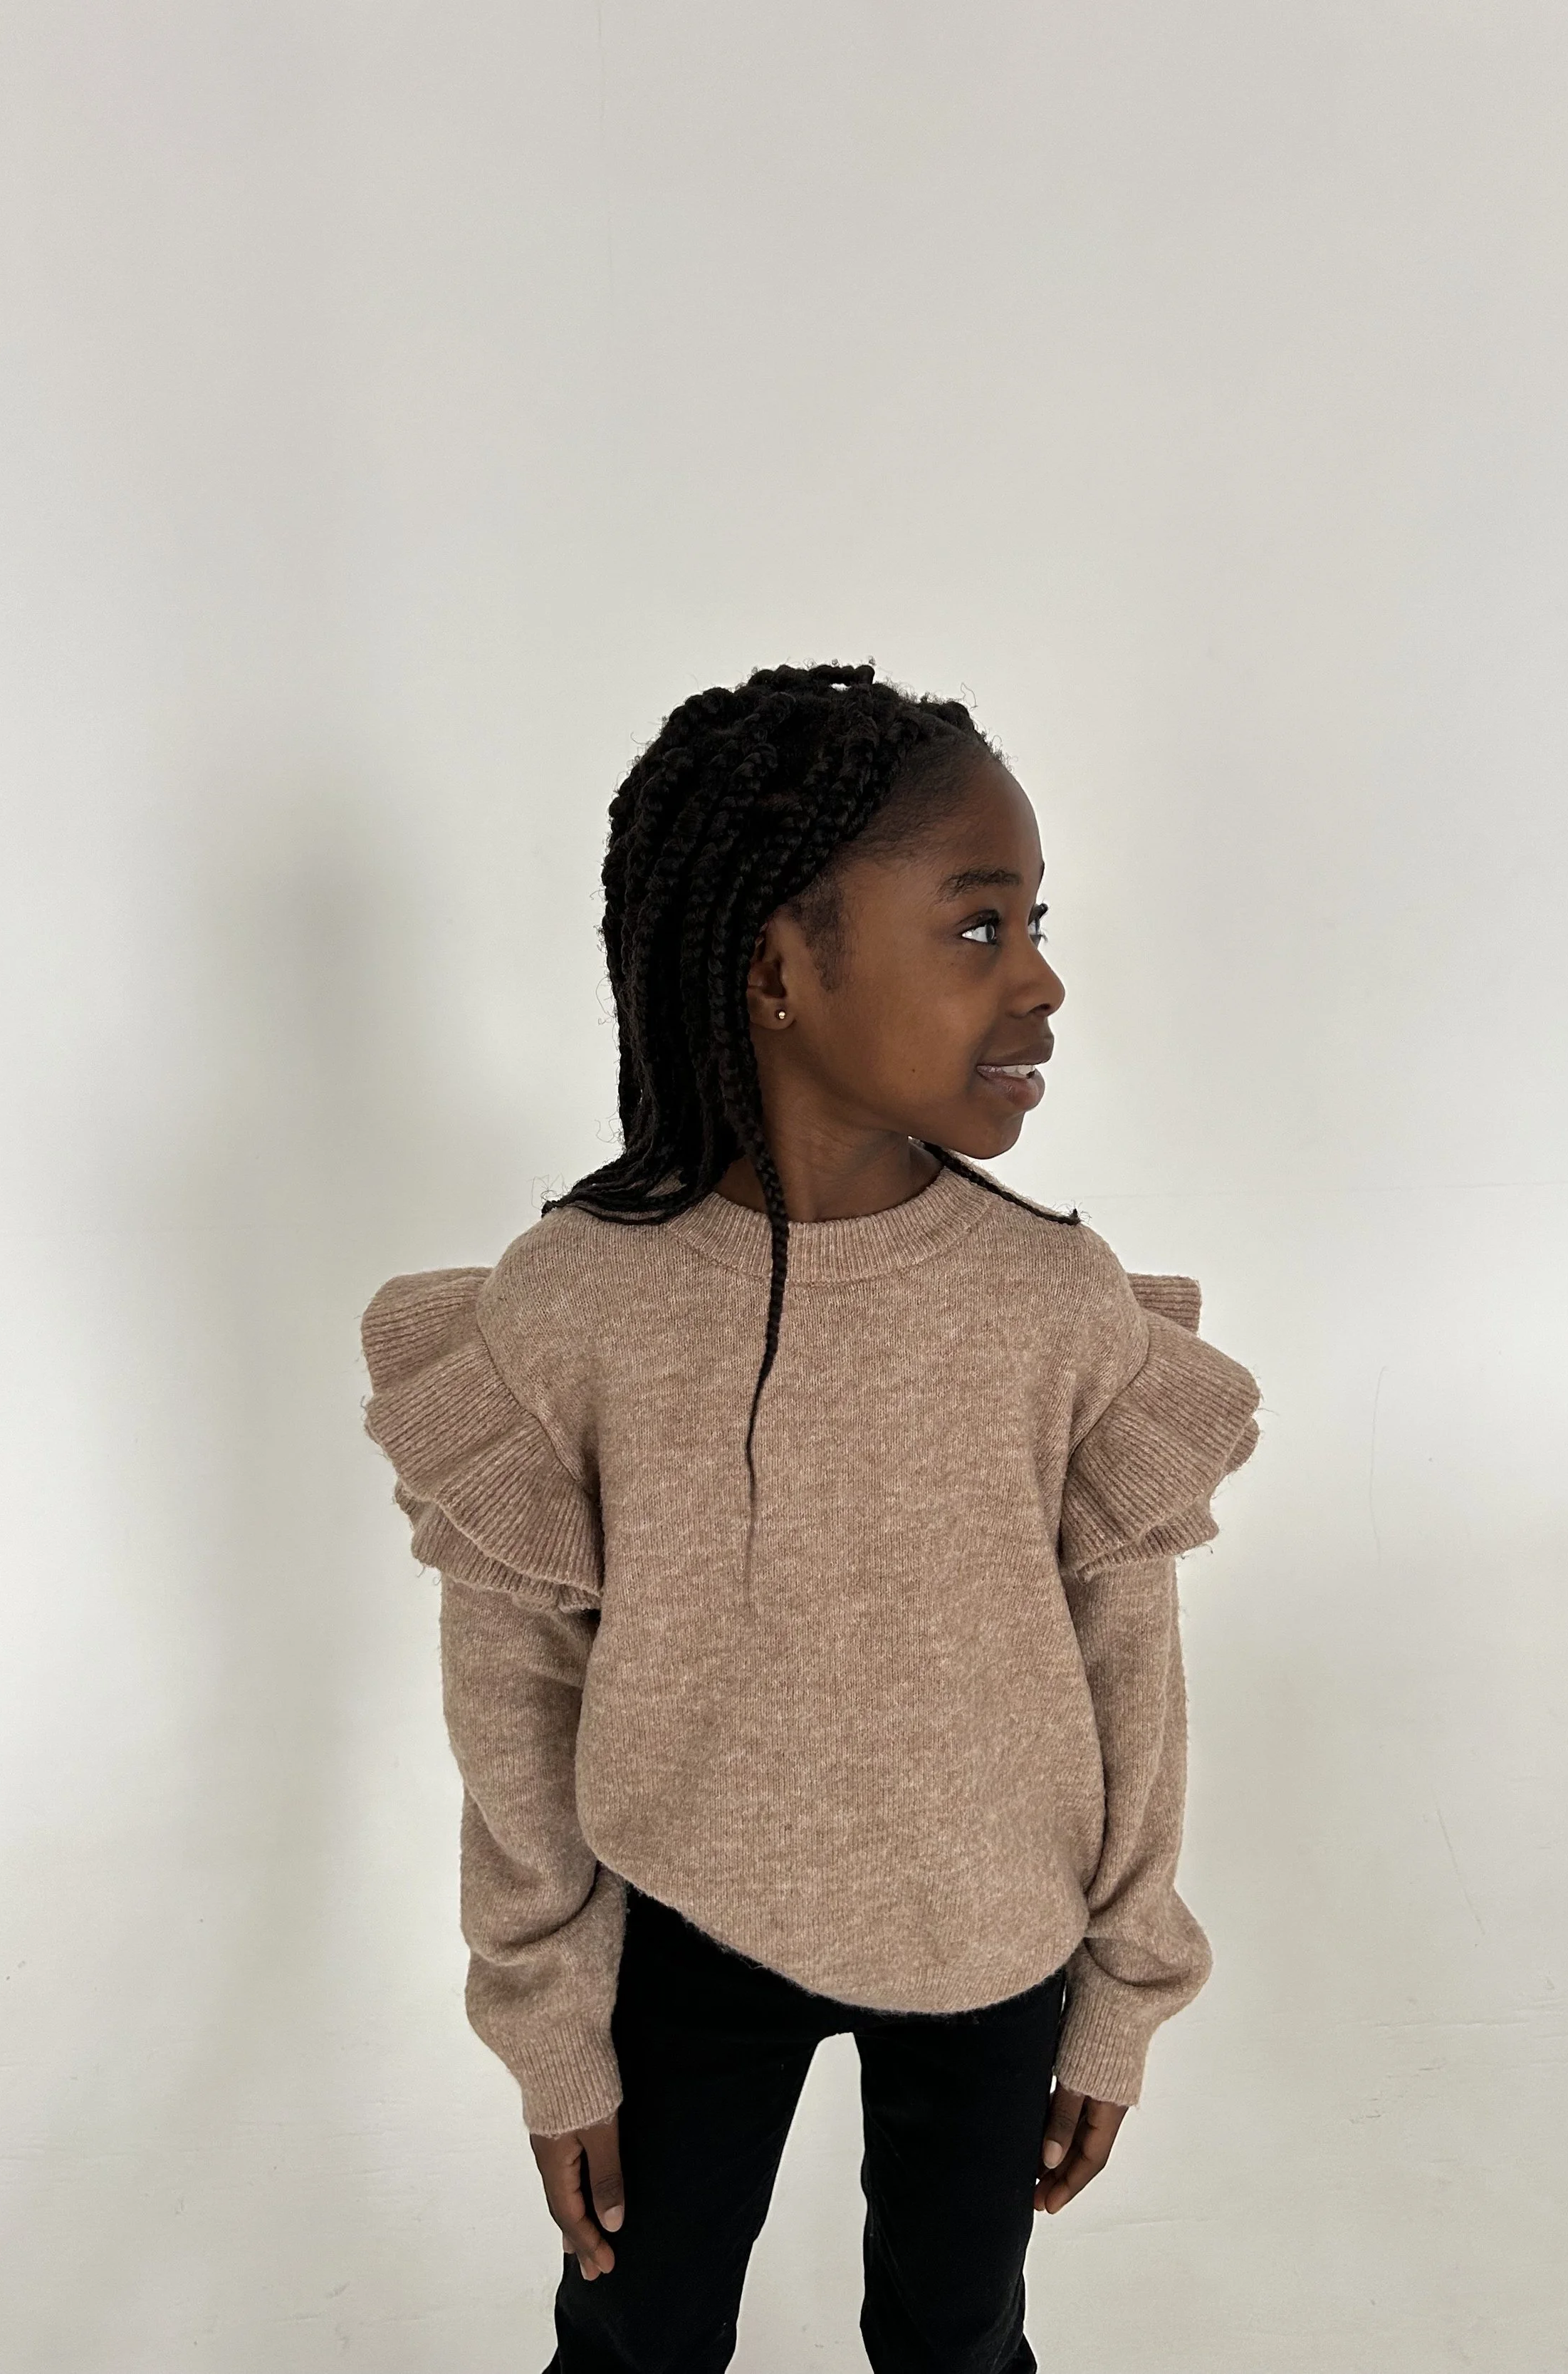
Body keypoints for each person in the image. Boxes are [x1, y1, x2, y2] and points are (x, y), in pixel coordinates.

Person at [358, 661, 1263, 2373]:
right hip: (683, 1925)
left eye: (1033, 923)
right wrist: (555, 2032)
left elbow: (1124, 1651)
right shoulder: (578, 1304)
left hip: (996, 1940)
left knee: (955, 2343)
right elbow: (514, 1695)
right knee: (635, 2342)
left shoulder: (1052, 1299)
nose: (1044, 980)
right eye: (976, 928)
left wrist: (1122, 1992)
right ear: (779, 962)